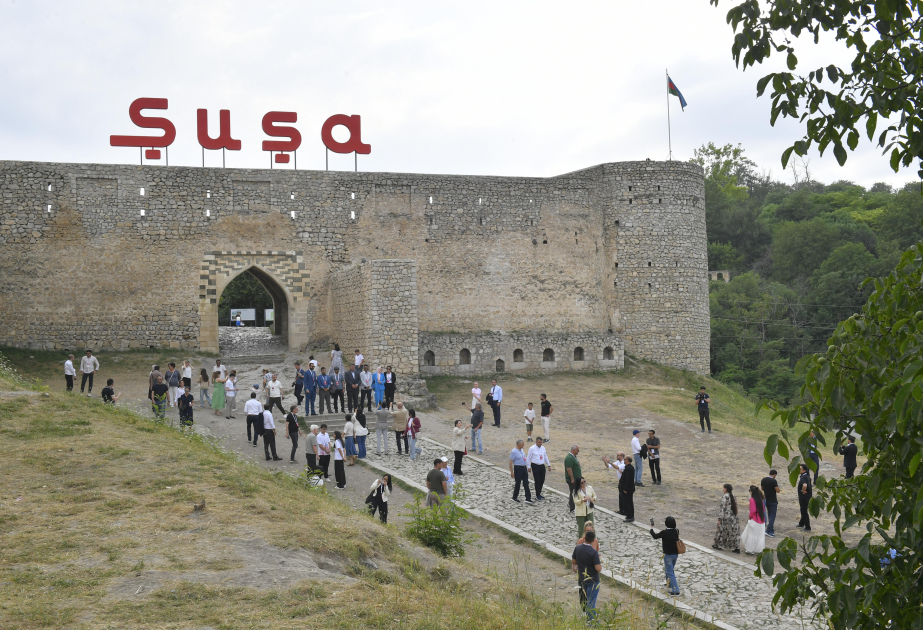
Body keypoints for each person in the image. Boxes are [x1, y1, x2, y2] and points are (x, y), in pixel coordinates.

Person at [571, 530, 602, 622]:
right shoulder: (593, 552)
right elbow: (598, 569)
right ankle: (591, 621)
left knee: (587, 598)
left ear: (584, 538)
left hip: (582, 578)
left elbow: (573, 561)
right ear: (593, 540)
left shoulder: (578, 548)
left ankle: (588, 616)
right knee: (591, 601)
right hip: (593, 580)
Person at [650, 517, 682, 596]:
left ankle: (676, 589)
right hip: (675, 554)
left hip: (668, 555)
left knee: (670, 572)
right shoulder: (676, 531)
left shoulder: (665, 532)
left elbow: (655, 536)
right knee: (670, 570)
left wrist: (651, 528)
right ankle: (669, 584)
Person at [713, 483, 741, 553]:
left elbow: (722, 508)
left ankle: (718, 544)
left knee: (721, 531)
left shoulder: (725, 497)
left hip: (726, 517)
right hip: (733, 517)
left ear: (725, 489)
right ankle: (735, 547)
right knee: (733, 532)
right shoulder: (733, 496)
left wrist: (719, 519)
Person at [741, 485, 767, 554]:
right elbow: (763, 510)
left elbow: (753, 511)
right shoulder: (761, 500)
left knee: (751, 535)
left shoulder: (752, 500)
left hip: (755, 520)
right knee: (759, 536)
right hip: (761, 520)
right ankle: (757, 549)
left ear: (752, 492)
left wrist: (750, 516)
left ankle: (750, 550)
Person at [509, 439, 533, 504]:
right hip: (518, 468)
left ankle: (528, 498)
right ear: (519, 444)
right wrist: (512, 471)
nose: (523, 445)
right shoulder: (514, 451)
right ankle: (514, 497)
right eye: (522, 444)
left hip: (524, 468)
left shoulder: (522, 450)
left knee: (526, 483)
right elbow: (510, 462)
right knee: (518, 483)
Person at [760, 469, 782, 537]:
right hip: (773, 500)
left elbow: (762, 489)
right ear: (774, 475)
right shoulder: (773, 481)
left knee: (769, 514)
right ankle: (769, 530)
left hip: (766, 499)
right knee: (772, 516)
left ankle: (770, 529)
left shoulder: (763, 479)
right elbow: (778, 491)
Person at [564, 445, 582, 513]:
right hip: (573, 479)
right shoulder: (570, 458)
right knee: (573, 493)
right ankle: (572, 508)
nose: (578, 451)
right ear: (574, 450)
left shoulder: (573, 457)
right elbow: (569, 469)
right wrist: (572, 479)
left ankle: (570, 504)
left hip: (577, 478)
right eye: (577, 450)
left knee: (574, 492)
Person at [797, 463, 813, 532]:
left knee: (803, 511)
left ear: (804, 470)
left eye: (800, 469)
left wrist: (803, 491)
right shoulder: (806, 476)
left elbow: (805, 485)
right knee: (803, 510)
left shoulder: (804, 477)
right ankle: (801, 523)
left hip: (804, 497)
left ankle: (807, 527)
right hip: (807, 496)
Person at [619, 458, 636, 522]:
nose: (624, 460)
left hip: (628, 490)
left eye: (625, 459)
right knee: (628, 502)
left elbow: (628, 480)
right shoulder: (629, 468)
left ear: (628, 460)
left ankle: (630, 516)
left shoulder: (628, 468)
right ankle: (629, 515)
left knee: (628, 503)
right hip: (629, 489)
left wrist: (625, 489)